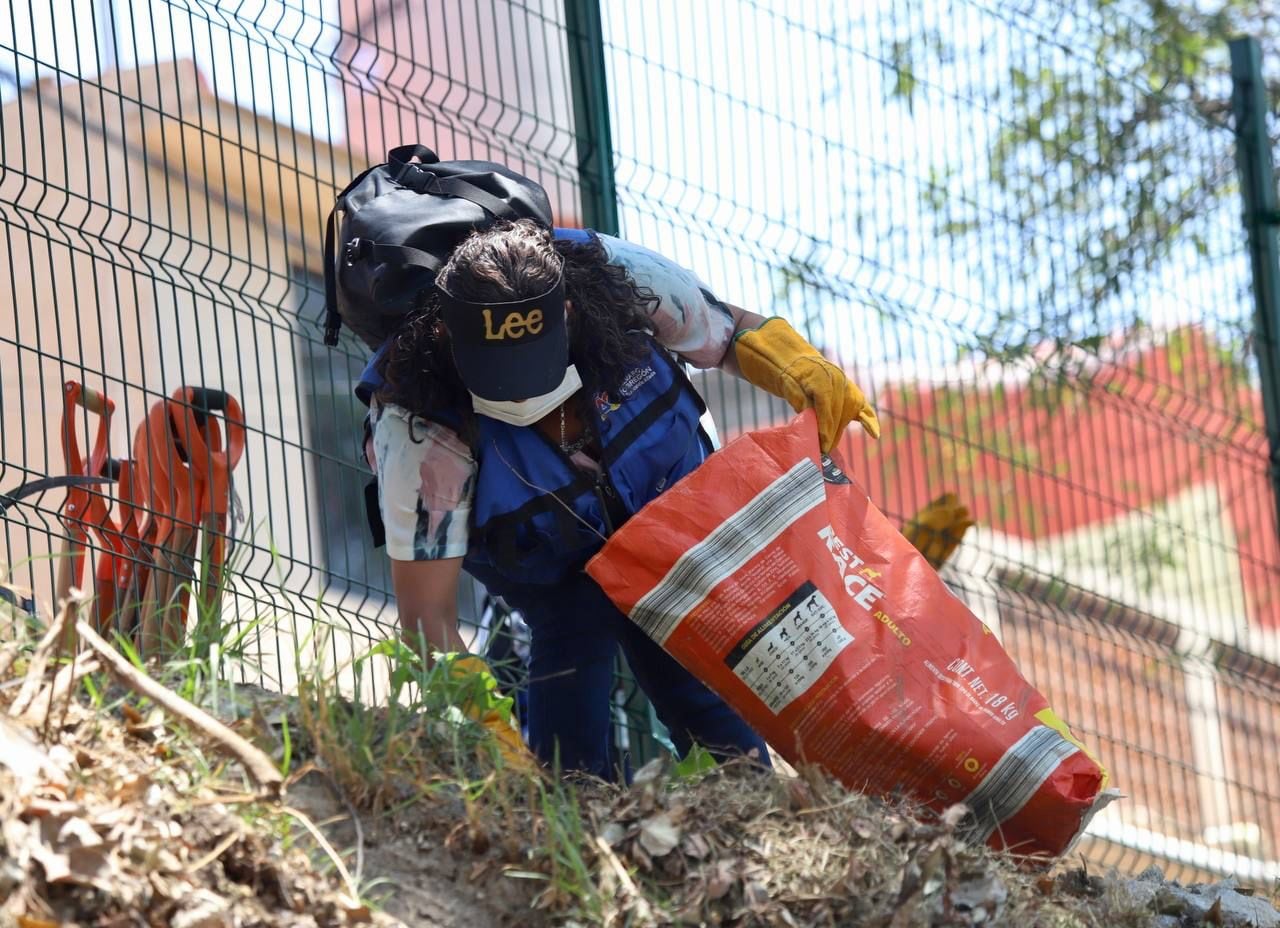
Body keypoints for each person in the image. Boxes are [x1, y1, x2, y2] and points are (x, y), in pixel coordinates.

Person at [366, 219, 880, 780]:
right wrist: (492, 733)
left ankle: (750, 800)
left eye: (532, 367)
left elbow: (728, 334)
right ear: (449, 340)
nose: (519, 392)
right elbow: (426, 619)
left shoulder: (617, 278)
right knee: (575, 626)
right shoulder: (418, 429)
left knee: (686, 654)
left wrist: (795, 364)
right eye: (498, 374)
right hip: (539, 551)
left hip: (660, 508)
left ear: (567, 317)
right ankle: (573, 801)